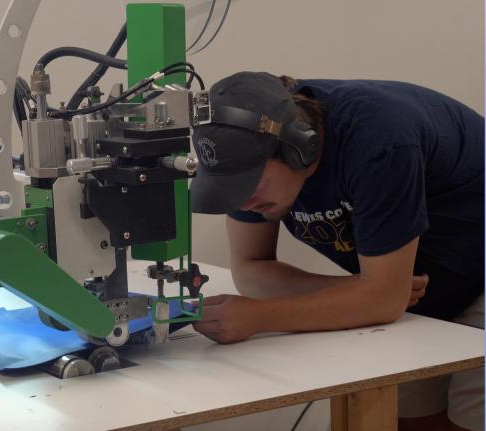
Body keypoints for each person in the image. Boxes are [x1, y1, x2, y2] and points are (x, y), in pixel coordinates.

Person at [189, 71, 484, 431]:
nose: (244, 201)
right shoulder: (244, 153)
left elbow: (384, 300)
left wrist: (259, 317)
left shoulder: (378, 139)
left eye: (250, 185)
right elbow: (251, 271)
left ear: (300, 148)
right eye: (231, 189)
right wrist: (365, 291)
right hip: (431, 286)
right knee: (404, 419)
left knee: (471, 417)